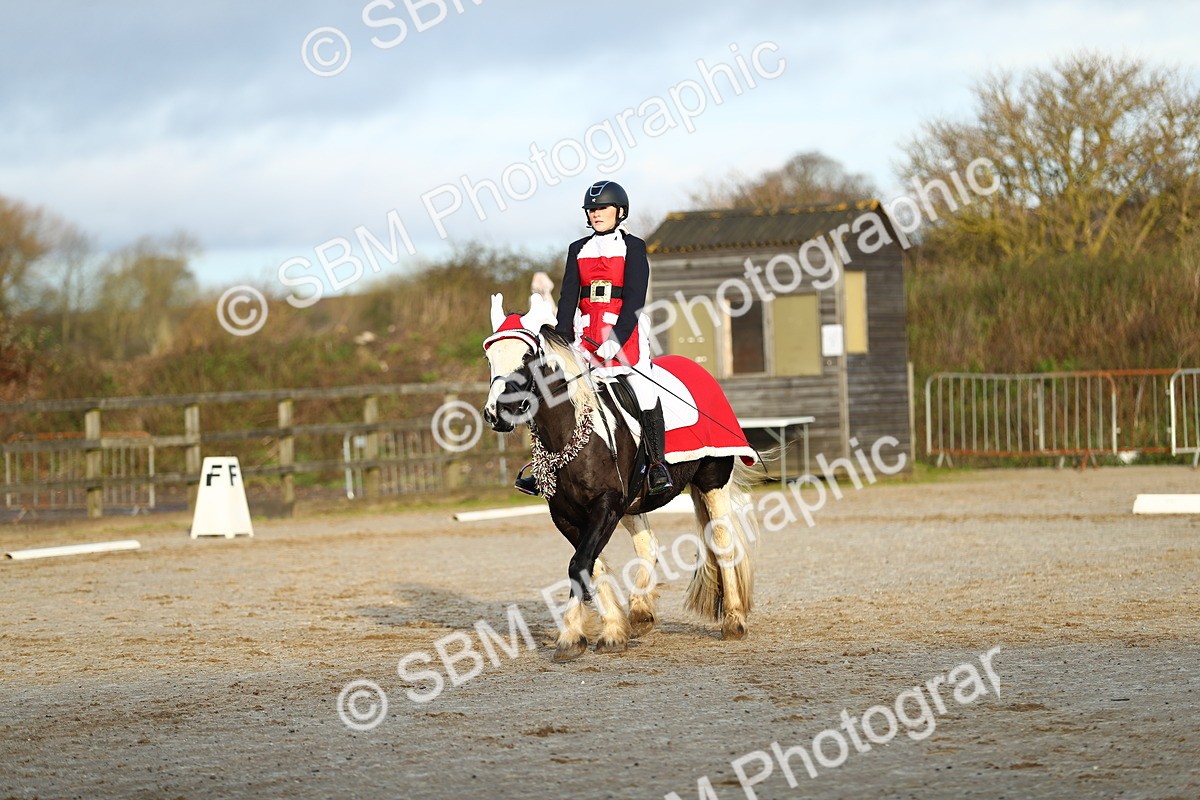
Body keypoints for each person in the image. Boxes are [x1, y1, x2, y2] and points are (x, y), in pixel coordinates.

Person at [515, 180, 674, 497]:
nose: (596, 213)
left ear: (620, 211)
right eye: (592, 209)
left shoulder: (634, 247)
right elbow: (567, 298)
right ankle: (545, 469)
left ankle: (658, 465)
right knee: (556, 393)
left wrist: (615, 340)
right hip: (583, 335)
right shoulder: (578, 249)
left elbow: (634, 300)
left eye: (602, 208)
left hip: (622, 332)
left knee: (645, 389)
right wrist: (560, 342)